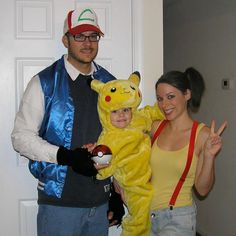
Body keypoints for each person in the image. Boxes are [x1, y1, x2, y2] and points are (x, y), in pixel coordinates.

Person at [11, 7, 125, 236]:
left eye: (93, 36)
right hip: (58, 205)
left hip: (100, 203)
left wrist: (115, 193)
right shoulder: (43, 82)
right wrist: (67, 157)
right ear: (66, 40)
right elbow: (20, 138)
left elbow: (121, 138)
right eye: (79, 36)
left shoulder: (111, 83)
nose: (87, 43)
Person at [149, 67, 227, 236]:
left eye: (171, 97)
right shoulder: (155, 127)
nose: (164, 105)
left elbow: (202, 189)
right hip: (145, 214)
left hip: (177, 218)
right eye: (160, 99)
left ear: (187, 95)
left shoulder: (202, 134)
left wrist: (209, 156)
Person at [90, 72, 165, 236]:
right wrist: (99, 165)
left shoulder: (137, 119)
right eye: (115, 111)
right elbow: (103, 168)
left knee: (154, 219)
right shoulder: (108, 138)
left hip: (152, 178)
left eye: (125, 110)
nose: (122, 115)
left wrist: (164, 110)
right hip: (133, 185)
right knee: (138, 221)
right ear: (105, 113)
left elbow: (152, 112)